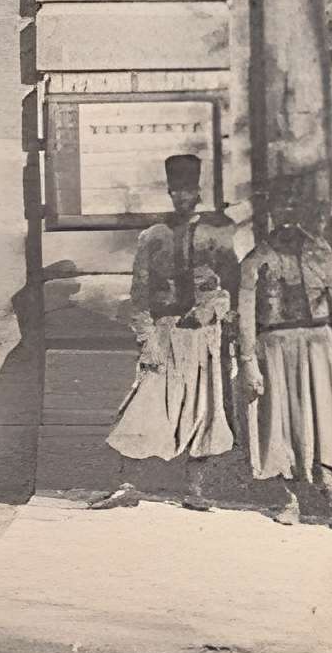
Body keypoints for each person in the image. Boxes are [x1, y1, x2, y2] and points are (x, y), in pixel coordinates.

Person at [91, 152, 237, 513]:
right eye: (175, 192)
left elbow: (231, 283)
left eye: (188, 191)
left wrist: (212, 309)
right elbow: (139, 292)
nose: (181, 198)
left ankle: (195, 487)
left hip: (202, 335)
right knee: (146, 403)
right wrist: (147, 339)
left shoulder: (217, 235)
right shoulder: (153, 237)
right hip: (164, 330)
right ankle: (128, 484)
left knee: (203, 407)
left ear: (198, 192)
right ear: (169, 193)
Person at [238, 176, 332, 530]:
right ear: (272, 213)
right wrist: (249, 362)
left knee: (328, 420)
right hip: (274, 348)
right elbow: (246, 313)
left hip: (319, 346)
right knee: (280, 421)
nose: (287, 215)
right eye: (281, 208)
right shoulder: (256, 259)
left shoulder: (321, 251)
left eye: (293, 207)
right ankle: (289, 499)